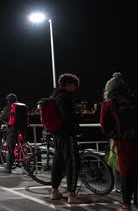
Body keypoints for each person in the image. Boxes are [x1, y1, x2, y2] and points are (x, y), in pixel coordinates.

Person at [100, 73, 138, 211]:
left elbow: (104, 126)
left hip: (125, 142)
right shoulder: (135, 99)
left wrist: (113, 134)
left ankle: (125, 205)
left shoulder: (109, 103)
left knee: (126, 173)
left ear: (110, 89)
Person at [49, 73, 89, 204]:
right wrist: (80, 114)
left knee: (58, 162)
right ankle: (72, 194)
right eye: (75, 85)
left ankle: (54, 191)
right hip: (67, 134)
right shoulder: (64, 97)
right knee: (72, 163)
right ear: (69, 84)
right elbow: (68, 118)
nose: (75, 88)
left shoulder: (55, 96)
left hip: (57, 135)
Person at [0, 93, 28, 174]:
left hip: (12, 130)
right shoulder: (22, 106)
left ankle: (8, 168)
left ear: (8, 100)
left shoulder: (8, 107)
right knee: (23, 145)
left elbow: (0, 118)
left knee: (10, 150)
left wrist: (7, 122)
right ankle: (27, 164)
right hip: (23, 129)